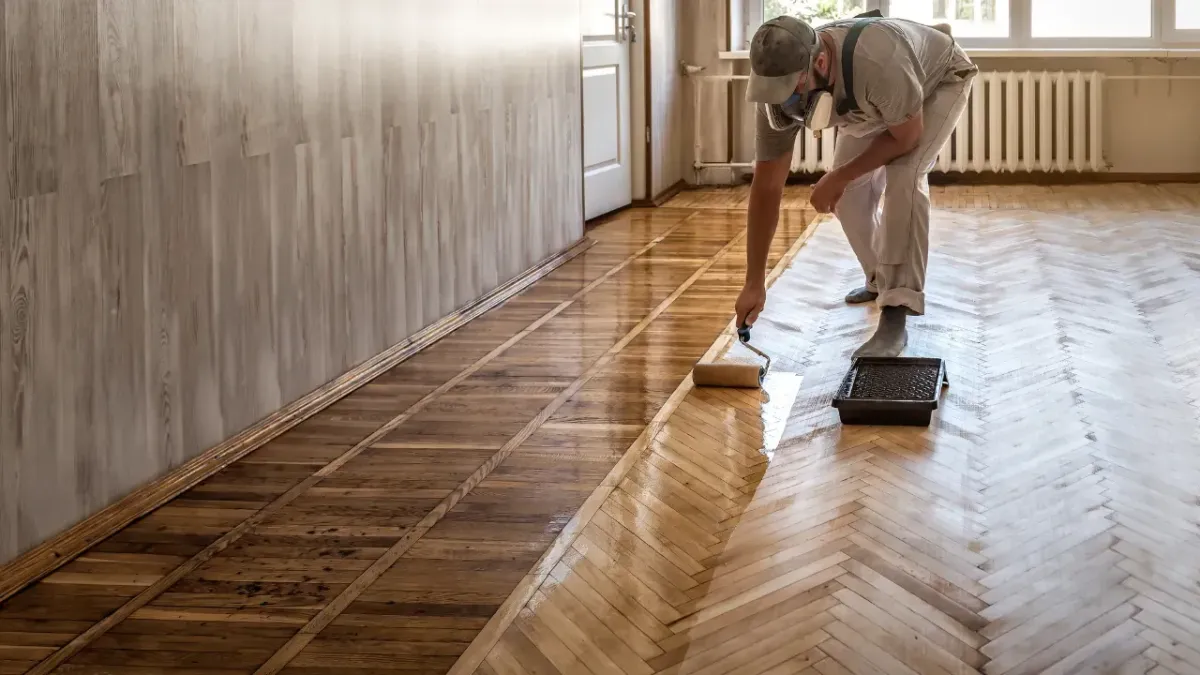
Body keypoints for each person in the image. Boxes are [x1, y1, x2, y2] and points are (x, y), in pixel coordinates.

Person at [734, 11, 977, 358]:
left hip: (937, 80)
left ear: (819, 61)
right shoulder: (775, 90)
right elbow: (767, 188)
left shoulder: (878, 61)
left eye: (793, 88)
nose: (785, 101)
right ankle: (880, 279)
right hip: (872, 99)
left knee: (905, 175)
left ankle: (896, 312)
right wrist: (753, 281)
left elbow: (906, 138)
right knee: (846, 197)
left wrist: (838, 175)